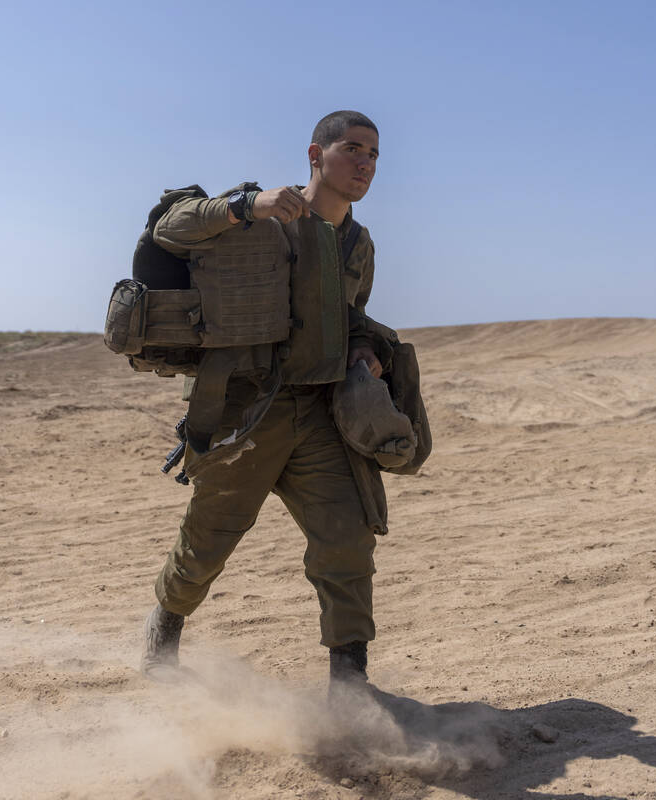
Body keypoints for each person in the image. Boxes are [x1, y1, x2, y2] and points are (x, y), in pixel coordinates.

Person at [141, 110, 399, 689]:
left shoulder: (358, 243)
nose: (365, 163)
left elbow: (353, 316)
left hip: (323, 414)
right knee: (207, 542)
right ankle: (160, 640)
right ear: (316, 155)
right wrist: (242, 206)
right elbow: (170, 228)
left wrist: (363, 350)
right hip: (246, 412)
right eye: (353, 149)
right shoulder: (264, 212)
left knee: (348, 543)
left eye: (374, 155)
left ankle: (349, 693)